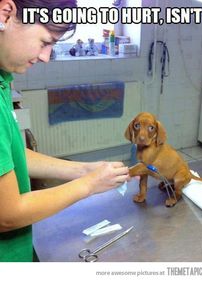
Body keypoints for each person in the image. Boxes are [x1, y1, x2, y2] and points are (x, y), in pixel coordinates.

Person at [0, 0, 130, 262]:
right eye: (45, 41)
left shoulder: (3, 79)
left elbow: (10, 154)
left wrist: (81, 170)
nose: (46, 57)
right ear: (6, 14)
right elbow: (7, 214)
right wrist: (89, 185)